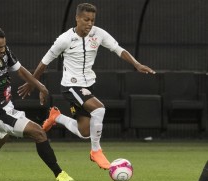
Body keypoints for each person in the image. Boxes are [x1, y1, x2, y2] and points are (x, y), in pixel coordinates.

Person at [18, 3, 156, 170]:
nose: (90, 23)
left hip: (88, 86)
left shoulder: (99, 34)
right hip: (71, 86)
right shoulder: (64, 39)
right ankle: (96, 151)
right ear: (77, 18)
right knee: (99, 109)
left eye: (92, 20)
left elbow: (118, 49)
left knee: (85, 132)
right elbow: (44, 63)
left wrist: (137, 64)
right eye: (86, 20)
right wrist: (33, 83)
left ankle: (56, 117)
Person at [0, 26, 74, 181]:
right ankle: (59, 173)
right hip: (0, 112)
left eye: (4, 46)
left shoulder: (5, 53)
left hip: (3, 108)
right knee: (39, 133)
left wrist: (40, 86)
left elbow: (21, 71)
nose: (2, 50)